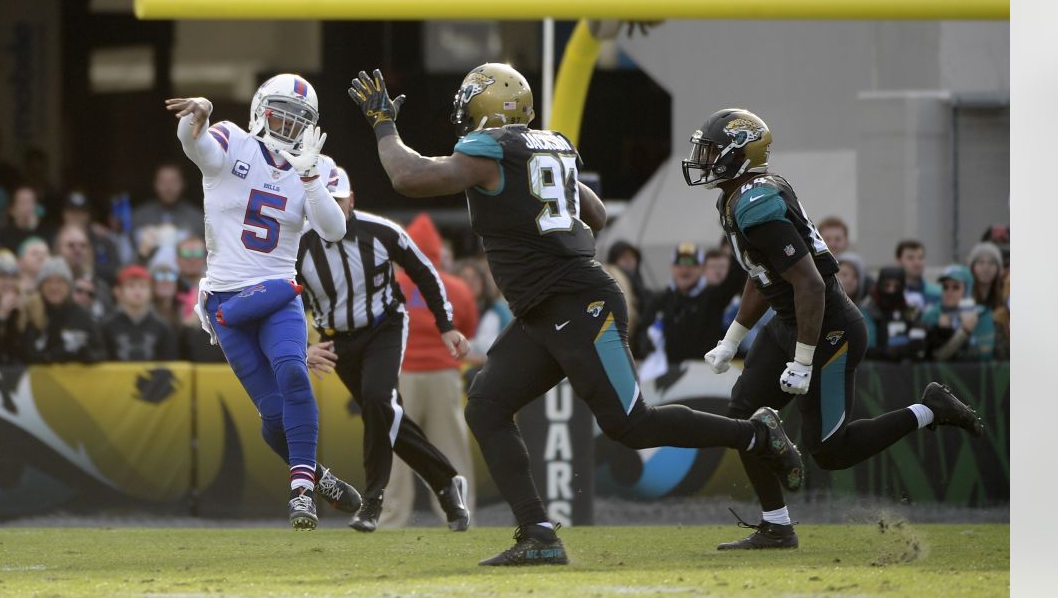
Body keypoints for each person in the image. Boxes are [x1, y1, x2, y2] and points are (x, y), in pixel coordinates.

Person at [350, 64, 803, 566]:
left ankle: (757, 433)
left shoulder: (489, 147)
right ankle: (538, 533)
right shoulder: (552, 144)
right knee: (485, 403)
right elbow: (597, 213)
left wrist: (383, 125)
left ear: (485, 105)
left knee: (632, 426)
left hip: (576, 302)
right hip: (546, 308)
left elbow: (408, 177)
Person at [683, 108, 984, 550]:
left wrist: (804, 360)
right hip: (793, 323)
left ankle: (931, 410)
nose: (703, 159)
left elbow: (808, 281)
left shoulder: (755, 202)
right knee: (743, 414)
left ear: (739, 154)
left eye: (711, 151)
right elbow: (762, 271)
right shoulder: (740, 196)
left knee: (830, 450)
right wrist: (731, 339)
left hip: (829, 330)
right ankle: (776, 526)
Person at [165, 73, 362, 530]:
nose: (288, 124)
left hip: (276, 291)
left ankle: (300, 497)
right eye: (281, 112)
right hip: (226, 303)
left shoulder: (318, 165)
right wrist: (198, 116)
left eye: (299, 119)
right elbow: (196, 146)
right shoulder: (233, 140)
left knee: (294, 372)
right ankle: (315, 475)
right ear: (260, 109)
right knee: (273, 415)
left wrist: (310, 175)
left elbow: (334, 229)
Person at [296, 166, 472, 533]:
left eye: (337, 200)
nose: (331, 209)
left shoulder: (380, 232)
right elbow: (283, 298)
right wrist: (305, 346)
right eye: (322, 201)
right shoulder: (297, 245)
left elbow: (424, 271)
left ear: (352, 200)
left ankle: (373, 501)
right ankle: (445, 481)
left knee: (378, 401)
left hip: (383, 327)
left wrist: (446, 325)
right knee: (387, 415)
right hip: (336, 339)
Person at [381, 213, 480, 531]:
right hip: (444, 376)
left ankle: (391, 519)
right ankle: (461, 514)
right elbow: (468, 328)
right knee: (451, 451)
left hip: (402, 375)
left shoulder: (390, 284)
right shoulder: (457, 287)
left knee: (396, 453)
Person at [638, 241, 745, 368]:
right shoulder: (659, 300)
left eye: (691, 263)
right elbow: (640, 334)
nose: (685, 269)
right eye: (680, 263)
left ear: (701, 268)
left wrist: (735, 239)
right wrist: (646, 343)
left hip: (705, 374)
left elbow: (736, 279)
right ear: (672, 267)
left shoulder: (713, 297)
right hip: (666, 375)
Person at [21, 257, 107, 363]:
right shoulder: (32, 315)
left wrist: (86, 355)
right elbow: (25, 354)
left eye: (60, 282)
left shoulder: (83, 316)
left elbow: (101, 353)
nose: (54, 287)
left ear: (69, 286)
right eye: (48, 282)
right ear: (41, 287)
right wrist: (54, 355)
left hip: (79, 378)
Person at [131, 163, 206, 268]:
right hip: (147, 277)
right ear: (155, 184)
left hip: (187, 280)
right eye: (163, 182)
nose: (168, 187)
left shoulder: (197, 218)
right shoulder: (140, 216)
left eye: (173, 182)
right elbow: (127, 257)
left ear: (183, 184)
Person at [102, 264, 179, 361]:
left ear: (151, 291)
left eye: (143, 286)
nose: (137, 292)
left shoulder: (163, 328)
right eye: (131, 286)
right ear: (118, 292)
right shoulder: (107, 327)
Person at [923, 264, 999, 361]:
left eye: (956, 287)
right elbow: (933, 357)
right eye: (945, 287)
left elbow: (984, 354)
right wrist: (962, 331)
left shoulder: (982, 314)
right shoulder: (931, 316)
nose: (949, 292)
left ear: (966, 289)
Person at [862, 266, 927, 362]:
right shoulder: (869, 310)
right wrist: (884, 352)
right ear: (879, 285)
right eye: (887, 285)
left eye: (896, 286)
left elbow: (919, 347)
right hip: (877, 368)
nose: (891, 291)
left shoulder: (910, 311)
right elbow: (866, 347)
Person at [967, 241, 1009, 353]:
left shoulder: (1004, 297)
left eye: (991, 263)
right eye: (981, 263)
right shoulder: (964, 297)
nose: (986, 268)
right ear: (972, 267)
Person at [0, 185, 50, 256]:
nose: (27, 207)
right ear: (12, 210)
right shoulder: (5, 234)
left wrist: (33, 229)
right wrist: (30, 230)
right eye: (22, 202)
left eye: (31, 201)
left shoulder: (46, 231)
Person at [895, 239, 941, 312]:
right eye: (910, 258)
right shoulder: (892, 294)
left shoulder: (938, 293)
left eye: (920, 258)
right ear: (898, 261)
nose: (917, 263)